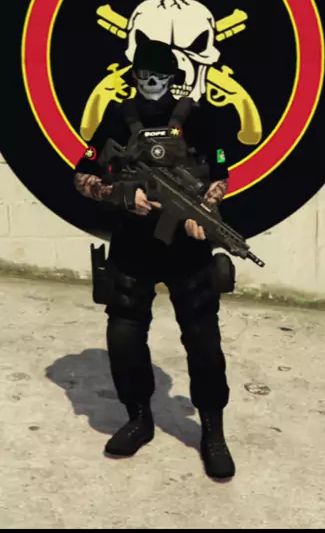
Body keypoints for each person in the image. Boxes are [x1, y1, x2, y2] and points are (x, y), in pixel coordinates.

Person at [74, 31, 235, 480]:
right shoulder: (115, 117)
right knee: (124, 335)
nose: (151, 82)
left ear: (172, 78)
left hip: (187, 249)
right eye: (144, 74)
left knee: (203, 339)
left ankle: (213, 431)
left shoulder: (200, 117)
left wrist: (206, 211)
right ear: (135, 76)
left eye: (159, 75)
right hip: (132, 246)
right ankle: (139, 418)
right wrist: (118, 194)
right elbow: (82, 175)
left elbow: (221, 176)